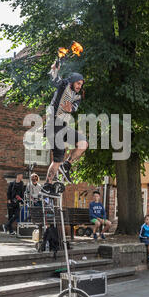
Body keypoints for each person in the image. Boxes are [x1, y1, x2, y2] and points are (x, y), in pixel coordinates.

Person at [41, 60, 88, 196]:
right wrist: (54, 69)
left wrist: (70, 108)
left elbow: (74, 107)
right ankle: (47, 185)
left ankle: (66, 165)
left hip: (63, 126)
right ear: (73, 81)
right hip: (52, 125)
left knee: (83, 143)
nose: (80, 86)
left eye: (81, 84)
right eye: (78, 83)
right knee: (57, 158)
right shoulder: (63, 85)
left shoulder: (78, 95)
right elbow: (55, 79)